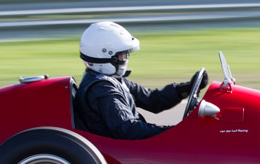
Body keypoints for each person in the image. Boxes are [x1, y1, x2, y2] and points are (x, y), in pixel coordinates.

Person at [73, 21, 205, 139]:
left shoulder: (112, 81)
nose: (126, 58)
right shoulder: (102, 89)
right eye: (122, 55)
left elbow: (152, 100)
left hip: (128, 145)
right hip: (123, 154)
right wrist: (172, 131)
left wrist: (185, 88)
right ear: (106, 55)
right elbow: (129, 130)